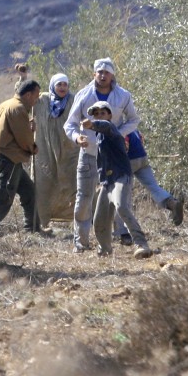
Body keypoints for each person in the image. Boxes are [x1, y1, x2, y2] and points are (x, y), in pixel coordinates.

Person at [64, 57, 139, 253]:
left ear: (113, 75)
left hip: (114, 156)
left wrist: (116, 134)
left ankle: (122, 234)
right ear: (94, 74)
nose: (103, 75)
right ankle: (80, 242)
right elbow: (70, 124)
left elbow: (133, 120)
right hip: (88, 153)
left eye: (107, 72)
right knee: (84, 197)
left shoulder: (123, 96)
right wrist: (76, 137)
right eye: (100, 72)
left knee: (118, 197)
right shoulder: (83, 95)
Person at [80, 101, 153, 258]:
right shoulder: (99, 137)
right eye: (96, 114)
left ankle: (141, 244)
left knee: (121, 207)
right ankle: (105, 249)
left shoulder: (112, 130)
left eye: (103, 113)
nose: (100, 116)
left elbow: (104, 126)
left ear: (110, 115)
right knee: (99, 220)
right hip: (107, 182)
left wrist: (92, 123)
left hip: (121, 176)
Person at [0, 79, 44, 238]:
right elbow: (23, 138)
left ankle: (33, 229)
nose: (36, 100)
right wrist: (33, 147)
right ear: (28, 94)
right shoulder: (18, 109)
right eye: (36, 96)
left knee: (29, 191)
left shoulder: (5, 105)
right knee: (5, 195)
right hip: (10, 158)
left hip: (10, 158)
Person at [113, 130, 184, 245]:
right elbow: (141, 138)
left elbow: (124, 146)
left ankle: (123, 233)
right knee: (153, 186)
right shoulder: (133, 127)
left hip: (128, 161)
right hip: (142, 158)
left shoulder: (119, 126)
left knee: (123, 197)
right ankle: (171, 202)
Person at [32, 73, 79, 231]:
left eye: (65, 85)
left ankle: (81, 222)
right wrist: (22, 79)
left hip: (69, 151)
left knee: (75, 184)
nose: (62, 88)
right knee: (43, 185)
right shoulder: (43, 100)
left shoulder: (73, 100)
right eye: (59, 85)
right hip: (45, 151)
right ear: (53, 85)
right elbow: (24, 96)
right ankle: (42, 223)